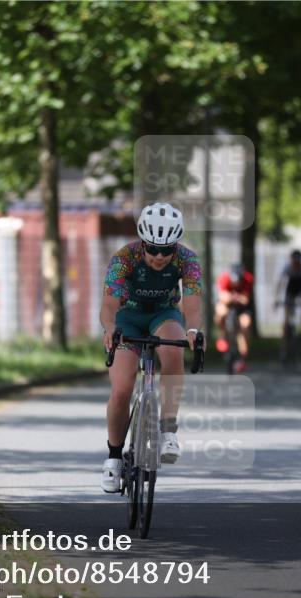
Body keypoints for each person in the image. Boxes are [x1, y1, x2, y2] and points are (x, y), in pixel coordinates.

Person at [99, 202, 203, 492]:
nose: (159, 256)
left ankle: (168, 429)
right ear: (142, 243)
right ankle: (114, 457)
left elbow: (192, 307)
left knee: (173, 349)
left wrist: (194, 331)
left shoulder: (187, 260)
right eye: (152, 249)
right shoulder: (124, 258)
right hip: (127, 318)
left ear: (176, 246)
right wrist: (110, 329)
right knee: (121, 388)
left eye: (166, 250)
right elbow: (108, 305)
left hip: (163, 314)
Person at [215, 263, 255, 373]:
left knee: (245, 324)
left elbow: (246, 299)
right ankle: (222, 335)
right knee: (221, 313)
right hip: (227, 303)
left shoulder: (248, 279)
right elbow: (222, 296)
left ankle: (242, 356)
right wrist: (233, 297)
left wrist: (236, 297)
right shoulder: (224, 278)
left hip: (242, 308)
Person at [275, 250, 301, 333]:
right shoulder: (287, 268)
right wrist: (277, 297)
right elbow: (280, 283)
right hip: (291, 289)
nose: (296, 264)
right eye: (294, 262)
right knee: (287, 310)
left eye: (298, 262)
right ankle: (286, 330)